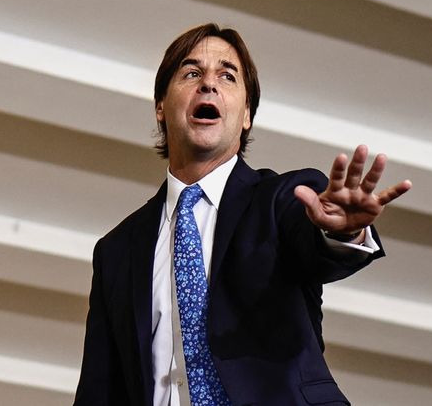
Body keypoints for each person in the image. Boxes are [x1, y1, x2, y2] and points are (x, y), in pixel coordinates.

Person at [73, 23, 411, 406]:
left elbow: (315, 248)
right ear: (161, 107)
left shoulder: (283, 199)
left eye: (227, 76)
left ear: (246, 114)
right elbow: (100, 390)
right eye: (192, 73)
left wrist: (341, 234)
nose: (209, 84)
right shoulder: (116, 251)